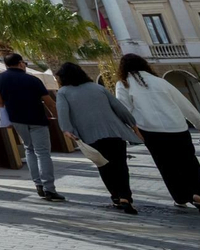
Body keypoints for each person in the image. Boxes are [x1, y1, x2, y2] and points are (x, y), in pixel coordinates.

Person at [115, 54, 200, 215]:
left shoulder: (124, 84)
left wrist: (129, 130)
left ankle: (180, 197)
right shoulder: (161, 82)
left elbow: (123, 109)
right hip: (177, 127)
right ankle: (198, 194)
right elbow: (184, 104)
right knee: (189, 163)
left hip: (150, 131)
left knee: (166, 166)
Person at [54, 61, 140, 214]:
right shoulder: (98, 88)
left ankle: (116, 196)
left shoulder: (63, 92)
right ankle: (126, 196)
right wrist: (132, 124)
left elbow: (63, 112)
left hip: (91, 135)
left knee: (104, 166)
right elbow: (119, 107)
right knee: (120, 165)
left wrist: (67, 130)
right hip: (115, 132)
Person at [0, 53, 65, 202]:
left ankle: (38, 184)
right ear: (20, 63)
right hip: (37, 119)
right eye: (24, 63)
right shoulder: (32, 80)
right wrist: (59, 119)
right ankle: (49, 188)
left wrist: (5, 120)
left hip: (16, 119)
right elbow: (49, 102)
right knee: (43, 153)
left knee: (29, 149)